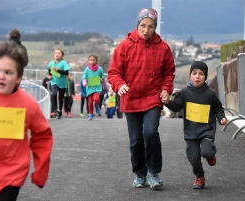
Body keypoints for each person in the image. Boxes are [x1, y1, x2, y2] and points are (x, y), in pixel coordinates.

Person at [107, 8, 175, 189]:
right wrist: (119, 85)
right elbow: (113, 72)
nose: (146, 30)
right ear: (137, 25)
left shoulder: (163, 47)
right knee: (136, 138)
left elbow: (168, 73)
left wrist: (166, 89)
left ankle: (154, 173)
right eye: (143, 25)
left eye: (151, 26)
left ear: (155, 27)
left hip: (153, 97)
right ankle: (140, 174)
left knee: (150, 132)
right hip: (130, 97)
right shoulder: (125, 46)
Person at [0, 41, 53, 200]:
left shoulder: (28, 105)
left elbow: (42, 136)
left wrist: (41, 171)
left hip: (11, 174)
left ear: (19, 77)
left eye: (8, 72)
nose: (0, 76)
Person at [161, 61, 227, 189]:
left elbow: (218, 108)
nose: (197, 76)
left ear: (205, 76)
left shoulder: (210, 94)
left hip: (206, 130)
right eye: (194, 73)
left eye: (201, 74)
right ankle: (199, 177)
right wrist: (168, 102)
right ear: (190, 75)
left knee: (206, 152)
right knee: (193, 157)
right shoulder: (185, 92)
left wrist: (221, 118)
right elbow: (176, 106)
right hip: (191, 132)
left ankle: (210, 155)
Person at [82, 54, 107, 120]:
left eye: (94, 60)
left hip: (97, 88)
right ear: (88, 61)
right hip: (89, 88)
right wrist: (84, 82)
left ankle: (96, 105)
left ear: (96, 61)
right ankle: (90, 114)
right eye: (91, 60)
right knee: (90, 102)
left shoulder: (100, 69)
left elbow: (103, 78)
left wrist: (104, 86)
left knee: (96, 99)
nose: (92, 61)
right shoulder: (87, 69)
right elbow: (84, 77)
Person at [47, 48, 70, 119]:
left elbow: (66, 72)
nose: (57, 54)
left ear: (62, 56)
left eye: (59, 53)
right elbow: (49, 70)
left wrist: (58, 70)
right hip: (54, 81)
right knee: (53, 93)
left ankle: (60, 110)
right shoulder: (51, 63)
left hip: (62, 83)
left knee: (60, 98)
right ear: (53, 55)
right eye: (55, 53)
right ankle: (55, 109)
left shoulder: (64, 63)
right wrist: (49, 75)